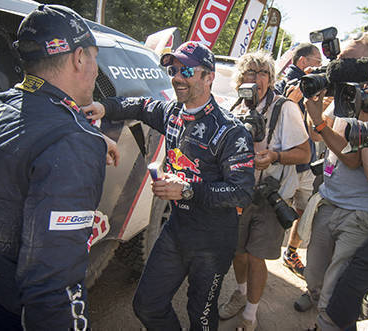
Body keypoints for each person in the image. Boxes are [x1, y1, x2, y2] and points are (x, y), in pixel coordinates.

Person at [82, 41, 256, 330]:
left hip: (212, 241)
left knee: (200, 316)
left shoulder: (231, 130)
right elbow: (138, 105)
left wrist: (187, 189)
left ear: (209, 76)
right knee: (146, 305)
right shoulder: (173, 112)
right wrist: (104, 106)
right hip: (176, 229)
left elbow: (242, 191)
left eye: (186, 70)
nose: (177, 76)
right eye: (173, 69)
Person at [0, 5, 109, 329]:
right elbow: (54, 288)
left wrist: (79, 129)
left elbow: (34, 120)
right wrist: (81, 140)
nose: (97, 68)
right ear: (79, 58)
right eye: (95, 57)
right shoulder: (72, 143)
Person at [294, 35, 368, 327]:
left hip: (360, 212)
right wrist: (314, 106)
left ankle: (323, 322)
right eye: (338, 62)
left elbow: (352, 158)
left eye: (348, 63)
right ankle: (313, 297)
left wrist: (321, 123)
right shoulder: (345, 92)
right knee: (314, 273)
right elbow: (315, 133)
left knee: (335, 290)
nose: (338, 68)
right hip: (330, 200)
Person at [218, 50, 310, 331]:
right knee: (237, 251)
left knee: (257, 256)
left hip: (270, 196)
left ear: (271, 79)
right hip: (238, 194)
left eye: (263, 73)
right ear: (240, 78)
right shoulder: (236, 108)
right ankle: (242, 291)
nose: (257, 79)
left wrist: (274, 156)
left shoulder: (285, 108)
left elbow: (304, 153)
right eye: (250, 72)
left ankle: (250, 314)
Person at [274, 42, 323, 279]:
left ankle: (291, 253)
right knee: (274, 208)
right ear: (302, 62)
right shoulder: (286, 84)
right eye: (317, 62)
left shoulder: (314, 87)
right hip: (287, 161)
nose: (320, 68)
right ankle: (263, 252)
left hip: (307, 161)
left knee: (303, 209)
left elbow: (315, 130)